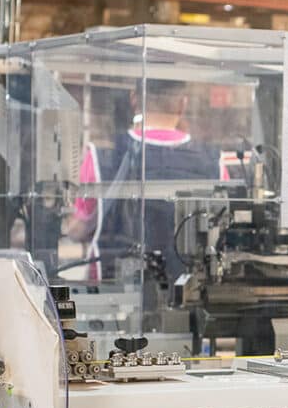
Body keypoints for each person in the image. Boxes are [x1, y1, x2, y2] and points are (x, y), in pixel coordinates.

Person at [64, 80, 226, 283]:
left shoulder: (102, 156)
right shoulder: (213, 162)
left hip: (114, 289)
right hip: (190, 291)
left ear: (134, 99)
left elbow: (79, 229)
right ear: (182, 104)